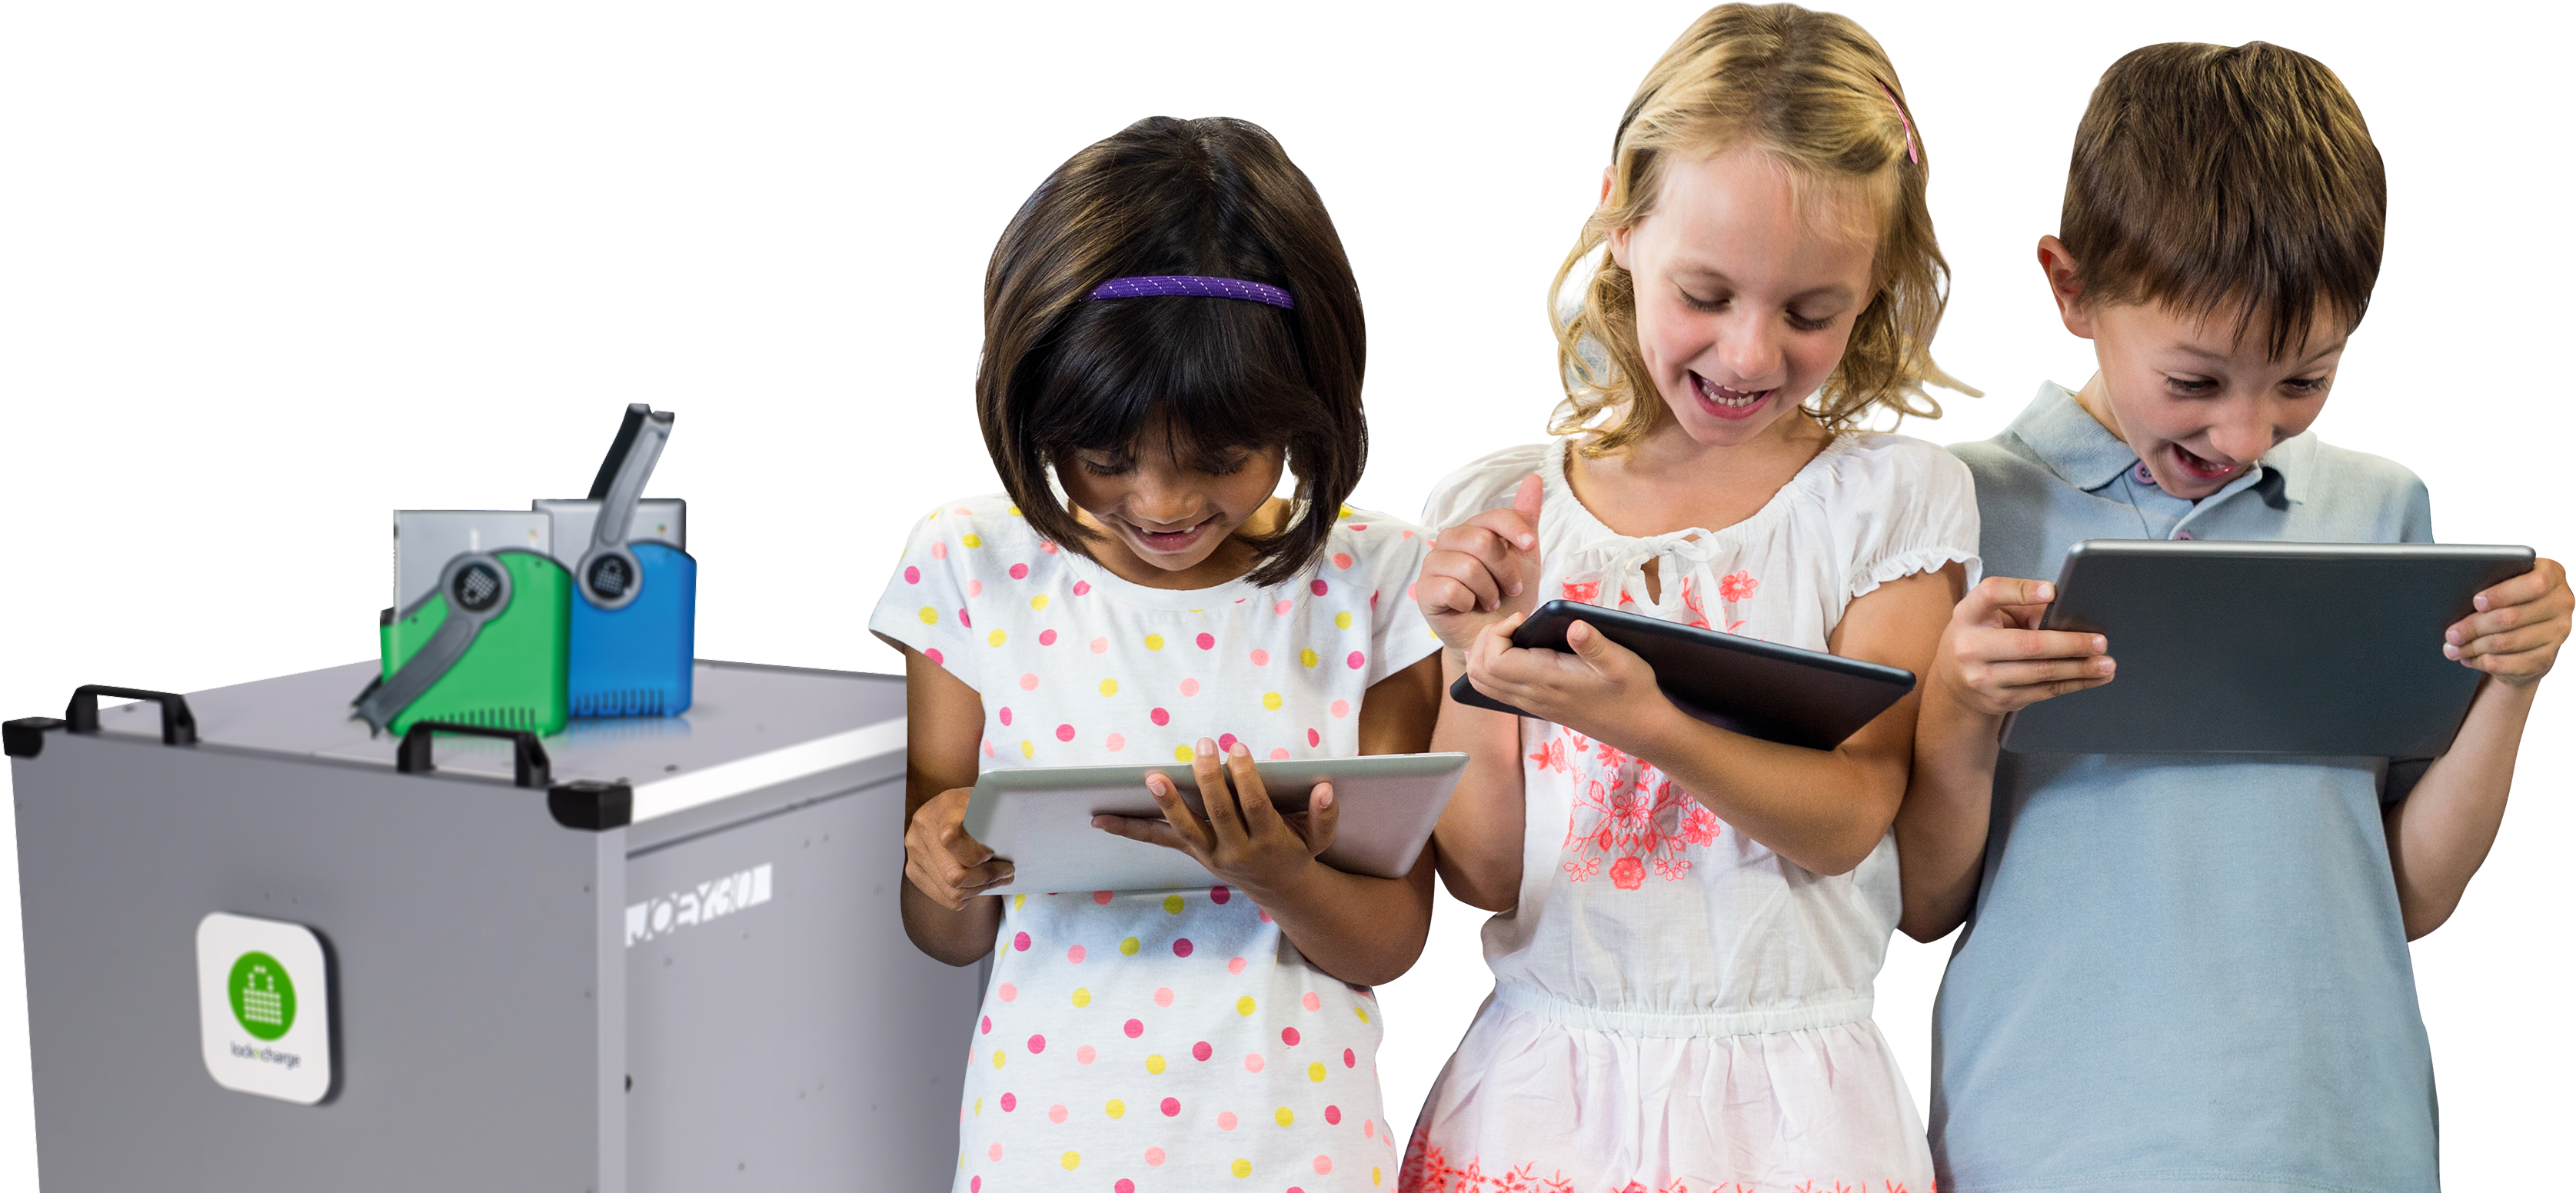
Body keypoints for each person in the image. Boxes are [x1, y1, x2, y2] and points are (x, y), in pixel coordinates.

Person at [1896, 41, 2574, 1191]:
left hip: (2342, 1137)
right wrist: (1959, 703)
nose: (2247, 435)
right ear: (2070, 289)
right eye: (2196, 381)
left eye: (2302, 380)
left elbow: (2406, 893)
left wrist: (2509, 680)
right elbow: (1920, 903)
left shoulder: (2380, 505)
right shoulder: (1951, 506)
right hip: (2044, 1140)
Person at [1399, 5, 1982, 1188]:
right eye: (1705, 294)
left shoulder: (1889, 500)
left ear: (1873, 289)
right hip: (1541, 1085)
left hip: (1794, 1097)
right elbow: (1480, 872)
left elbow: (1846, 819)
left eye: (1811, 312)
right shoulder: (1500, 501)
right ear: (1619, 221)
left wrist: (1639, 717)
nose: (1750, 353)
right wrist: (1476, 656)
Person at [868, 115, 1444, 1193]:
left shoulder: (1377, 578)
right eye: (1102, 456)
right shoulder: (970, 559)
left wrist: (1271, 871)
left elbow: (1389, 943)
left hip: (1295, 1148)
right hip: (1045, 1145)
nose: (1163, 503)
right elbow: (945, 935)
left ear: (1307, 409)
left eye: (1220, 458)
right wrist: (940, 864)